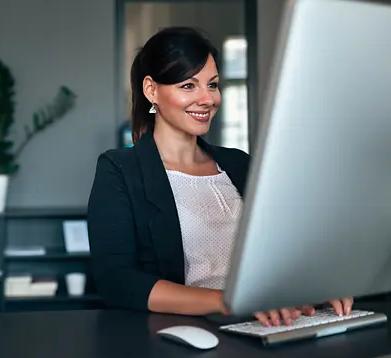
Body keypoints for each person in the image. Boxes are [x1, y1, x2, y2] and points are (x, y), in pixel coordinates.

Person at [87, 26, 353, 327]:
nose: (207, 99)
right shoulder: (120, 169)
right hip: (185, 334)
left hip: (267, 325)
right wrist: (226, 302)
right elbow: (117, 281)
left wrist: (312, 288)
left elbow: (282, 252)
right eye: (188, 86)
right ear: (151, 90)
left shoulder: (239, 164)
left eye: (212, 85)